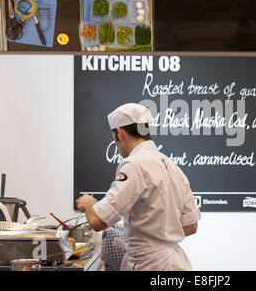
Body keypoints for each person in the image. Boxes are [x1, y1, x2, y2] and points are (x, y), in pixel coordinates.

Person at [76, 103, 201, 271]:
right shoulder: (171, 165)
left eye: (115, 140)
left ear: (119, 133)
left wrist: (88, 204)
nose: (118, 147)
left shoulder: (133, 165)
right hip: (176, 263)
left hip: (148, 264)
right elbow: (191, 225)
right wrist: (162, 236)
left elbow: (98, 222)